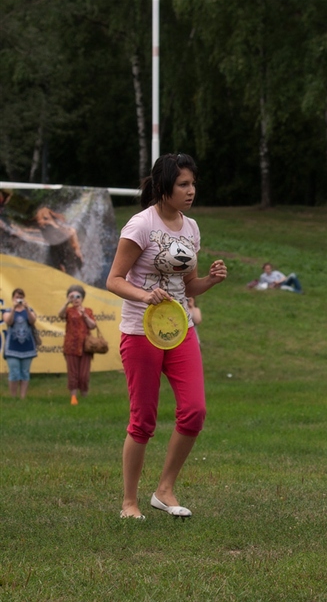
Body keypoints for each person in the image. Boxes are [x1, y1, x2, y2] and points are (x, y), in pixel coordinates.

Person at [106, 152, 228, 520]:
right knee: (142, 419)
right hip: (140, 331)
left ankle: (164, 489)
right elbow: (113, 280)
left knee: (194, 412)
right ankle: (129, 503)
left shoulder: (191, 228)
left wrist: (209, 280)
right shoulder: (140, 226)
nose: (191, 191)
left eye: (193, 184)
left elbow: (187, 285)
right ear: (163, 187)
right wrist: (145, 296)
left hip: (180, 329)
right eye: (183, 185)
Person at [58, 284, 97, 405]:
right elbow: (60, 315)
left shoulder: (88, 310)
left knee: (84, 374)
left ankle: (85, 396)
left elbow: (92, 325)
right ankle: (73, 398)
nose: (75, 299)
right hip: (71, 346)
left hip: (85, 347)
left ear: (82, 298)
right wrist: (66, 302)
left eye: (78, 296)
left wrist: (84, 315)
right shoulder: (68, 311)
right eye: (72, 296)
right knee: (73, 373)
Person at [2, 288, 39, 399]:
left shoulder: (30, 310)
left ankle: (23, 397)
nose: (19, 299)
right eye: (17, 297)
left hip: (27, 347)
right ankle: (13, 397)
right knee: (14, 373)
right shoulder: (7, 311)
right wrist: (14, 308)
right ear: (13, 298)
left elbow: (32, 321)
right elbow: (8, 321)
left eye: (21, 297)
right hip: (12, 347)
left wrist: (26, 308)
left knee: (25, 372)